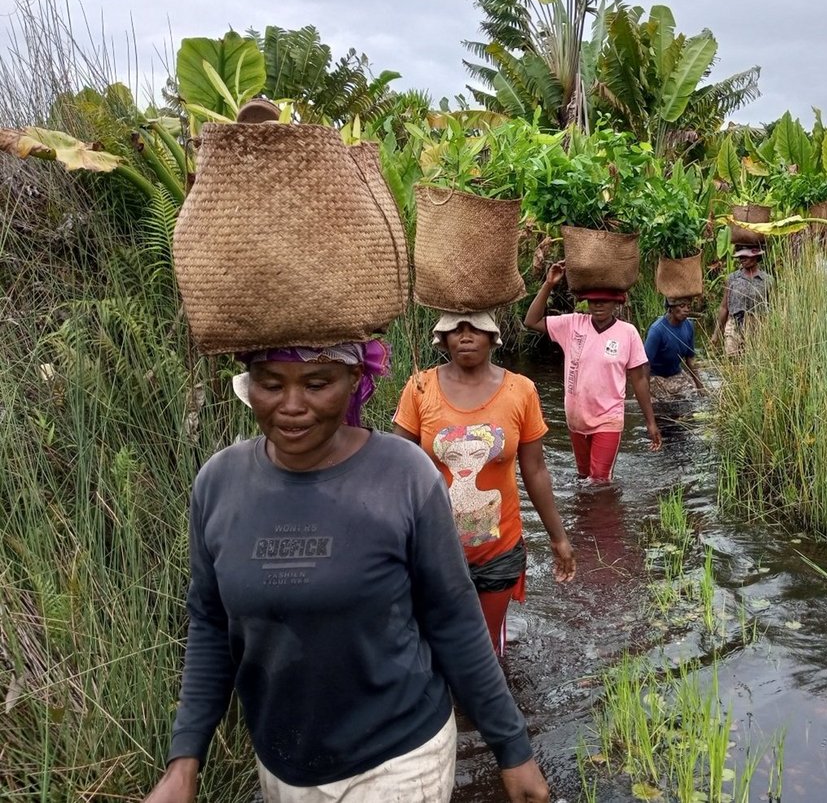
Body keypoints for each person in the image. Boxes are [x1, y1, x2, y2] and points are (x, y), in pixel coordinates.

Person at [143, 341, 550, 803]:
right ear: (248, 386)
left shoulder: (404, 476)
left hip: (398, 760)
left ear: (354, 382)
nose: (292, 406)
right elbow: (211, 624)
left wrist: (512, 748)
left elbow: (454, 619)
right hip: (281, 761)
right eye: (270, 384)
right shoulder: (219, 484)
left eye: (317, 384)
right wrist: (184, 759)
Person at [393, 312, 576, 657]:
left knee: (487, 651)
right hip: (432, 552)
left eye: (475, 328)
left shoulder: (520, 390)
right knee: (433, 648)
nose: (465, 337)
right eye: (456, 330)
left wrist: (558, 537)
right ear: (443, 338)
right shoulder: (420, 387)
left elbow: (535, 470)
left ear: (493, 336)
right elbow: (396, 468)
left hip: (498, 551)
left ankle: (486, 711)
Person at [524, 261, 661, 483]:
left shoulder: (627, 333)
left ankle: (604, 517)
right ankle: (585, 517)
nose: (598, 305)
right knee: (583, 477)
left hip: (608, 417)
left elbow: (639, 379)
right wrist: (549, 284)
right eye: (593, 300)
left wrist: (650, 421)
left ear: (616, 302)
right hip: (576, 417)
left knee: (599, 480)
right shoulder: (573, 324)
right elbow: (531, 321)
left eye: (604, 300)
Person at [712, 246, 773, 356]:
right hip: (734, 324)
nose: (742, 259)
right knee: (732, 358)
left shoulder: (767, 280)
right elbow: (724, 307)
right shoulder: (732, 279)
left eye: (746, 256)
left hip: (757, 327)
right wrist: (716, 334)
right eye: (740, 256)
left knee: (754, 360)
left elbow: (772, 306)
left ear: (756, 257)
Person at [644, 298, 705, 402]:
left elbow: (690, 359)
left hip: (675, 373)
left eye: (688, 306)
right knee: (665, 403)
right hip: (655, 376)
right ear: (671, 308)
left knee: (692, 397)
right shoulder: (657, 330)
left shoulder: (689, 326)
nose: (686, 310)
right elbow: (644, 364)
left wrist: (700, 386)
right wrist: (645, 391)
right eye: (682, 306)